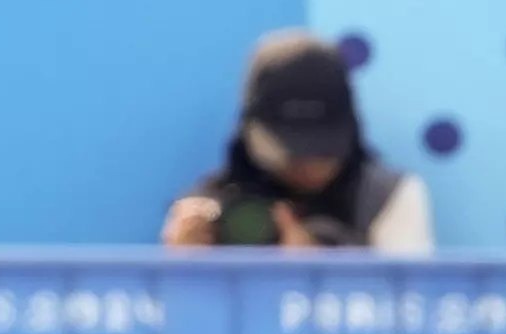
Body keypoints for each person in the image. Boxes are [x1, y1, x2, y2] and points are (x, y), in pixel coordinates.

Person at [160, 28, 432, 249]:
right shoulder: (212, 205)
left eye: (324, 150)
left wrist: (320, 277)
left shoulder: (389, 198)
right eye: (291, 152)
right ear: (251, 135)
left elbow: (413, 303)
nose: (309, 164)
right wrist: (183, 269)